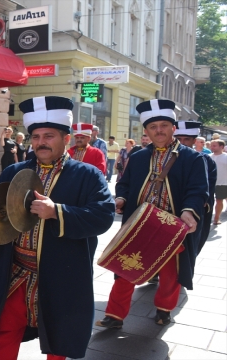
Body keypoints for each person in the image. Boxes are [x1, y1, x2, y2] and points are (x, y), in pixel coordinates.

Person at [0, 96, 115, 360]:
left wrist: (57, 212)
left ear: (66, 139)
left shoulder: (88, 175)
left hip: (62, 273)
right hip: (15, 271)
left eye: (49, 136)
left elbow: (103, 216)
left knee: (59, 341)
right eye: (35, 137)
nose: (40, 142)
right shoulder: (14, 171)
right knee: (1, 333)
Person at [97, 99, 208, 329]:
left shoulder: (193, 158)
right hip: (139, 223)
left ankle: (164, 310)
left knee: (170, 272)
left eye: (163, 126)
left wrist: (189, 211)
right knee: (125, 267)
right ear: (146, 131)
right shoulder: (137, 157)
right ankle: (115, 315)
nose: (159, 130)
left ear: (173, 128)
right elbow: (124, 184)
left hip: (173, 223)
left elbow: (198, 190)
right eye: (153, 127)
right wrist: (121, 198)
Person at [174, 121, 217, 253]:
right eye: (178, 139)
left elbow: (207, 189)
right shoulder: (164, 158)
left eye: (186, 139)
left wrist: (194, 207)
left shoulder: (204, 160)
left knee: (185, 253)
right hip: (166, 211)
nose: (182, 142)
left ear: (194, 140)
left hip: (190, 212)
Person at [211, 139, 227, 225]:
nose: (212, 147)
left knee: (219, 200)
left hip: (222, 183)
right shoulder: (208, 156)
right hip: (210, 183)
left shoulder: (225, 157)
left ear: (221, 147)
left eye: (214, 145)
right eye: (211, 145)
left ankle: (216, 219)